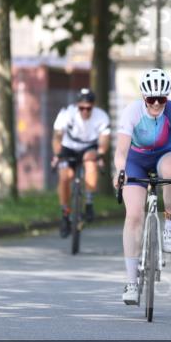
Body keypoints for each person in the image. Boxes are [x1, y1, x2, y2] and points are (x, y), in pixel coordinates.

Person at [114, 68, 171, 305]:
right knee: (134, 216)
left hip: (165, 156)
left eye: (162, 99)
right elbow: (121, 151)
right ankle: (131, 282)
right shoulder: (132, 112)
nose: (156, 104)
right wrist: (120, 172)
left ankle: (170, 224)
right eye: (151, 99)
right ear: (143, 98)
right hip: (135, 160)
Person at [51, 88, 110, 237]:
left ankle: (89, 203)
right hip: (69, 146)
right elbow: (58, 136)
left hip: (89, 147)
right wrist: (58, 155)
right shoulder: (67, 113)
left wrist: (101, 153)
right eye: (81, 108)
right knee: (65, 177)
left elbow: (104, 139)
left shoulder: (101, 116)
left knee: (90, 162)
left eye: (88, 108)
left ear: (93, 106)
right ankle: (65, 213)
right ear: (77, 105)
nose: (84, 111)